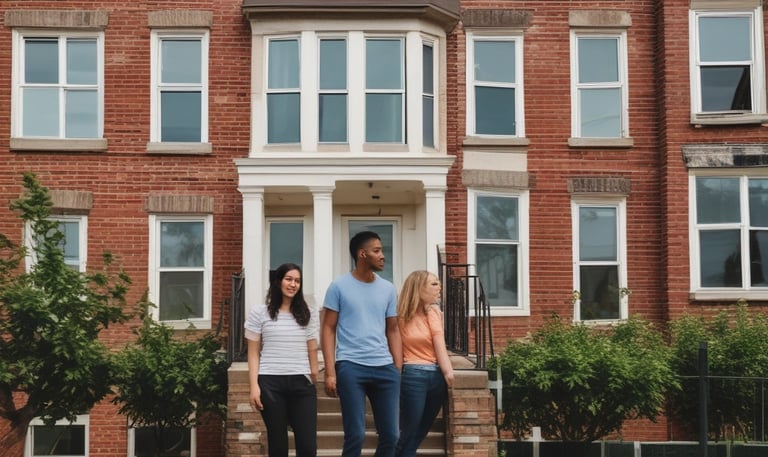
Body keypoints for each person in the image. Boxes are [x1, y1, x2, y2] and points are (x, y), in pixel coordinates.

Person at [321, 230, 402, 457]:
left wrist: (397, 367)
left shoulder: (388, 288)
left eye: (382, 250)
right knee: (356, 434)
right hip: (351, 366)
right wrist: (330, 372)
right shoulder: (338, 286)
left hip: (385, 367)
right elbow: (328, 328)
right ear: (362, 254)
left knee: (391, 436)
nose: (382, 255)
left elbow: (393, 329)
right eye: (377, 251)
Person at [245, 263, 319, 457]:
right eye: (289, 279)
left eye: (297, 281)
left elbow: (312, 345)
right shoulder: (259, 312)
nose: (293, 284)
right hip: (270, 383)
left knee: (308, 448)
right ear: (278, 282)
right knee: (278, 447)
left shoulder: (308, 313)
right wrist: (254, 386)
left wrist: (314, 372)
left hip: (301, 383)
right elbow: (253, 353)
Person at [395, 270, 454, 457]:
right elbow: (395, 350)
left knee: (421, 431)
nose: (439, 287)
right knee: (407, 430)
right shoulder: (400, 317)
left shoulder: (434, 313)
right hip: (413, 375)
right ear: (418, 288)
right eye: (434, 284)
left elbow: (439, 344)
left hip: (436, 377)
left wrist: (448, 373)